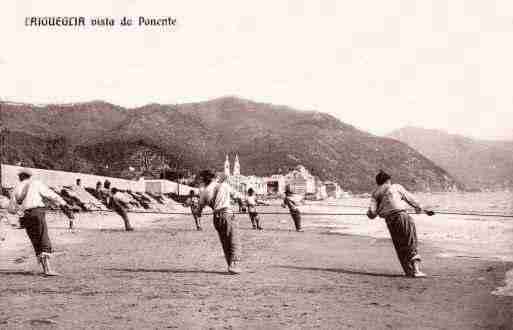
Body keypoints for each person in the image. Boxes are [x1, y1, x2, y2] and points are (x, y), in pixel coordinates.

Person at [366, 170, 434, 278]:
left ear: (378, 182)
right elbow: (411, 199)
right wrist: (422, 209)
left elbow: (371, 214)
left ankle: (409, 271)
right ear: (388, 180)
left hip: (389, 220)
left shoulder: (376, 193)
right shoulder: (396, 187)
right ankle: (416, 271)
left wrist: (376, 212)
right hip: (401, 216)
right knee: (410, 242)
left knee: (399, 245)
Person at [7, 169, 74, 276]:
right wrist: (63, 203)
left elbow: (11, 209)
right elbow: (51, 195)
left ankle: (45, 269)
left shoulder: (16, 188)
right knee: (43, 238)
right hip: (37, 212)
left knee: (35, 240)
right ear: (29, 176)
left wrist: (19, 211)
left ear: (20, 177)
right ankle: (48, 269)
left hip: (25, 216)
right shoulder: (35, 183)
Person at [195, 170, 241, 274]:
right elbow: (238, 196)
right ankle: (234, 265)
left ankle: (230, 265)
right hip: (227, 214)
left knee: (224, 242)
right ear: (213, 178)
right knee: (234, 240)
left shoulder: (205, 191)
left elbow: (199, 209)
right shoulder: (224, 186)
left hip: (216, 217)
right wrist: (242, 204)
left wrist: (198, 214)